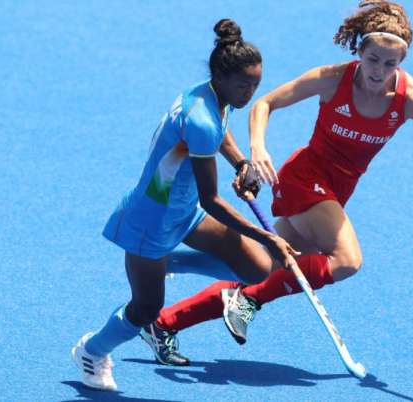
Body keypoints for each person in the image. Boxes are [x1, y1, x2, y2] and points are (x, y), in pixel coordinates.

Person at [143, 0, 413, 362]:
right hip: (305, 178)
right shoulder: (333, 78)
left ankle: (163, 323)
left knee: (268, 268)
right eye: (372, 59)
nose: (379, 71)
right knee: (347, 261)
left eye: (390, 63)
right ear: (359, 50)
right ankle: (246, 301)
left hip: (338, 190)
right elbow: (264, 104)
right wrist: (257, 149)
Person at [70, 19, 301, 391]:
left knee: (257, 269)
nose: (250, 93)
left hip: (182, 211)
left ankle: (166, 264)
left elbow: (221, 128)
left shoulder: (210, 95)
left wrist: (241, 163)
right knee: (146, 310)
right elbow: (212, 199)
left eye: (256, 85)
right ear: (222, 77)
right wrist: (266, 235)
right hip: (151, 222)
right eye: (244, 85)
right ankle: (92, 351)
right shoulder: (201, 119)